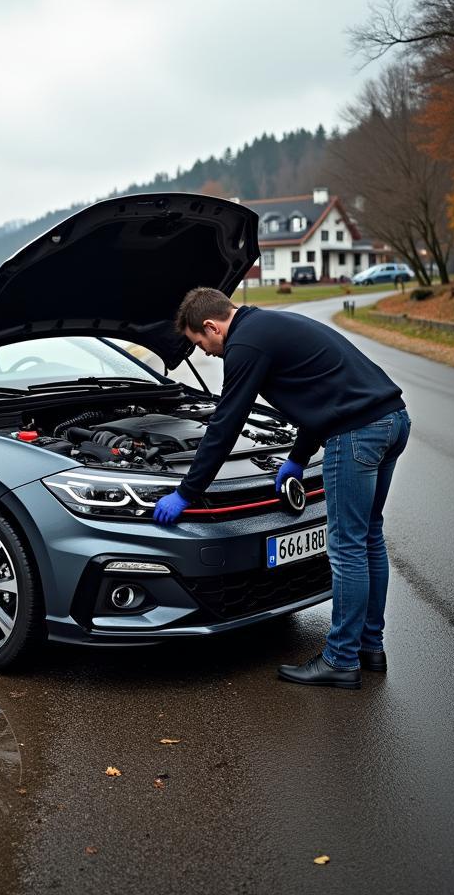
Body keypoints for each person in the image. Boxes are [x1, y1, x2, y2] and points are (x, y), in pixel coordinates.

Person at [153, 287, 411, 690]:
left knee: (346, 546)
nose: (203, 352)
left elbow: (226, 425)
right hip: (392, 421)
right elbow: (321, 394)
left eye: (199, 343)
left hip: (357, 434)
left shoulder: (245, 345)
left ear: (211, 326)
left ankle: (341, 660)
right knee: (368, 538)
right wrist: (298, 455)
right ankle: (369, 648)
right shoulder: (269, 324)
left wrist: (186, 492)